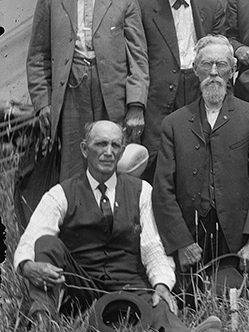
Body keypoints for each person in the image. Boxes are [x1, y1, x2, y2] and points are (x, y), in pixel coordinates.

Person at [13, 121, 221, 332]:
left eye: (115, 145)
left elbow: (153, 246)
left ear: (122, 151)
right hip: (81, 290)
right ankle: (42, 321)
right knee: (46, 243)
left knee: (159, 305)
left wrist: (161, 284)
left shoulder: (141, 191)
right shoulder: (61, 193)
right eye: (101, 144)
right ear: (85, 149)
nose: (108, 152)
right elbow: (32, 236)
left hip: (130, 287)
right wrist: (26, 266)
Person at [27, 0, 148, 181]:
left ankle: (112, 222)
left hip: (111, 94)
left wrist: (136, 105)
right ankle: (75, 222)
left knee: (113, 163)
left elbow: (138, 58)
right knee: (73, 170)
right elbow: (37, 56)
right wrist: (42, 104)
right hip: (70, 93)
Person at [154, 35, 249, 282]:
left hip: (235, 241)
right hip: (190, 239)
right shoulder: (173, 124)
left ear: (233, 71)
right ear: (196, 69)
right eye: (207, 65)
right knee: (189, 302)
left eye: (222, 65)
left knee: (228, 297)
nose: (214, 72)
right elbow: (163, 190)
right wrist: (181, 243)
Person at [139, 0, 226, 181]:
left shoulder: (211, 7)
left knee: (200, 164)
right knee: (159, 168)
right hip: (159, 103)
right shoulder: (143, 9)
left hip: (199, 96)